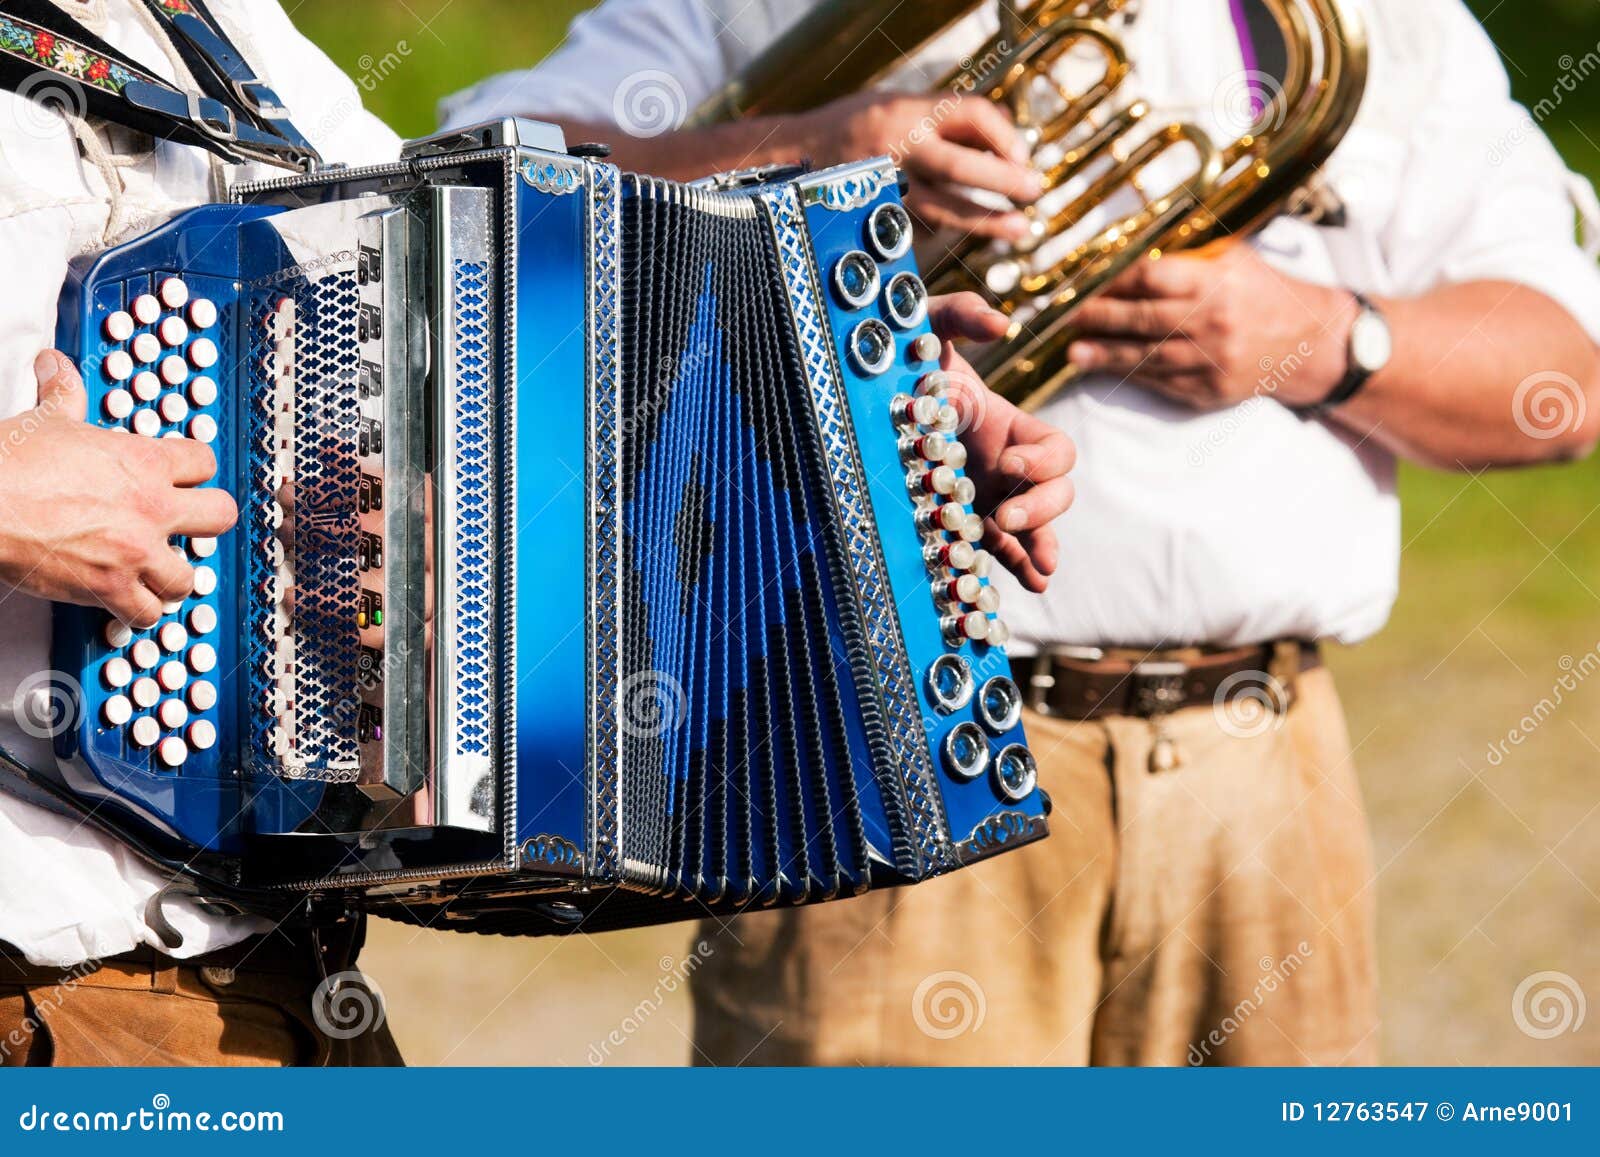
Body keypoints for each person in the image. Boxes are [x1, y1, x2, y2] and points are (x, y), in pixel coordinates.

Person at [443, 0, 1600, 1065]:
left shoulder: (1376, 25)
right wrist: (810, 149)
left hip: (1263, 772)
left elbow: (1564, 377)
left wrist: (1324, 333)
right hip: (882, 749)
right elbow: (488, 172)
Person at [0, 1, 1072, 1067]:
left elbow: (523, 285)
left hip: (262, 971)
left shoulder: (210, 27)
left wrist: (871, 437)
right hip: (40, 980)